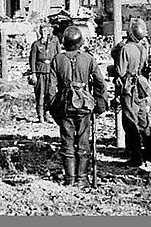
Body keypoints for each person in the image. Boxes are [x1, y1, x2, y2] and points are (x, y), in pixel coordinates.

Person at [47, 25, 108, 187]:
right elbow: (100, 83)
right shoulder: (88, 59)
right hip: (84, 106)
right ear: (80, 43)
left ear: (64, 42)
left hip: (65, 106)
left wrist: (53, 107)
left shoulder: (57, 60)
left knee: (67, 140)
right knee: (83, 141)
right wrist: (99, 104)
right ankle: (82, 178)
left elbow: (51, 88)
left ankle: (70, 178)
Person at [110, 19, 151, 167]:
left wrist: (112, 69)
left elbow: (120, 71)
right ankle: (150, 154)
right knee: (144, 120)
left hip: (129, 87)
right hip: (141, 86)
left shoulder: (126, 49)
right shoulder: (143, 48)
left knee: (130, 121)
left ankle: (136, 156)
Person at [29, 22, 61, 123]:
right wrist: (33, 74)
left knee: (50, 93)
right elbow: (32, 60)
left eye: (47, 31)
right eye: (42, 31)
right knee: (40, 94)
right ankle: (40, 115)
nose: (44, 33)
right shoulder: (36, 44)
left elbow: (59, 56)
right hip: (40, 71)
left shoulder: (54, 42)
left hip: (51, 71)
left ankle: (48, 114)